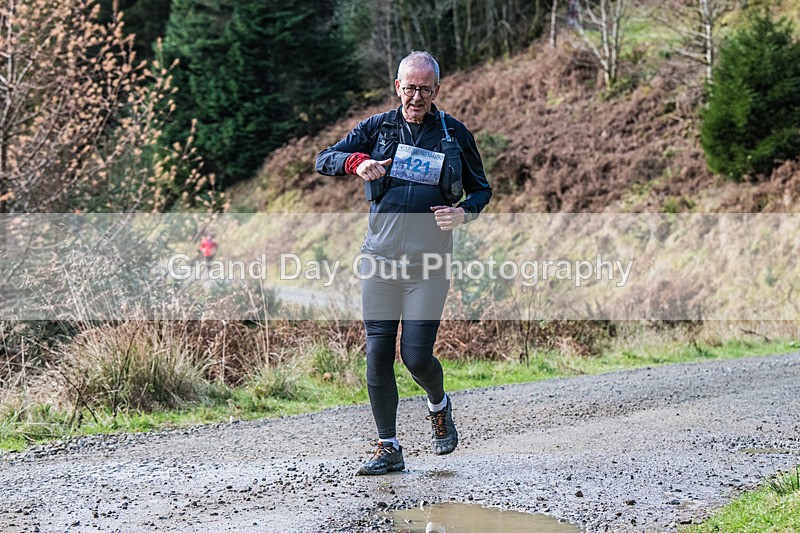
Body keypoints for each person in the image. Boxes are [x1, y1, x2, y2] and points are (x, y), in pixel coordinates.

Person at [316, 51, 491, 475]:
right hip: (379, 259)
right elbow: (324, 158)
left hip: (428, 265)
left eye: (424, 89)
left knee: (415, 357)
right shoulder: (378, 128)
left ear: (436, 90)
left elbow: (481, 190)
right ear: (398, 87)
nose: (415, 96)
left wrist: (463, 212)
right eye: (409, 88)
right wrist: (358, 163)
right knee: (376, 355)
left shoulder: (453, 134)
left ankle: (439, 404)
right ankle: (389, 448)